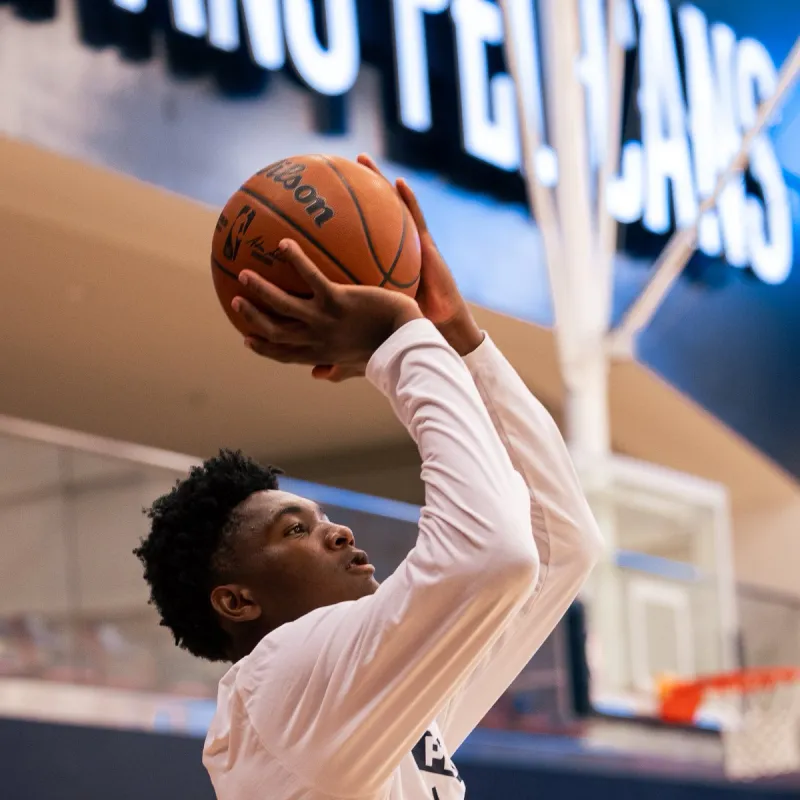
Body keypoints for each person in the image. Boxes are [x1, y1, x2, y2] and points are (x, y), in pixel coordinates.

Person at [134, 155, 604, 800]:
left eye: (323, 518)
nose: (338, 532)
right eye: (294, 530)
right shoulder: (280, 686)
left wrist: (458, 339)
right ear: (237, 602)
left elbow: (558, 545)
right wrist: (400, 335)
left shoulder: (370, 707)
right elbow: (494, 551)